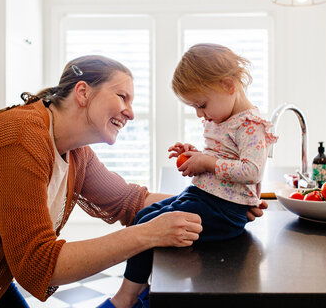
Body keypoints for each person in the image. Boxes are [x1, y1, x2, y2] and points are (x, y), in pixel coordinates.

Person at [0, 55, 265, 308]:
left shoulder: (73, 149)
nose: (131, 111)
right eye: (122, 96)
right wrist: (148, 235)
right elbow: (38, 264)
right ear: (83, 93)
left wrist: (222, 203)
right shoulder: (17, 141)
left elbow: (131, 201)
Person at [103, 43, 277, 308]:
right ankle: (140, 289)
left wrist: (207, 162)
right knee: (143, 218)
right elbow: (221, 155)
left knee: (152, 227)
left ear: (229, 85)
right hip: (203, 197)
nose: (199, 114)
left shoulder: (252, 126)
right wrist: (194, 154)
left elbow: (251, 171)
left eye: (202, 104)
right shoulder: (221, 118)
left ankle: (125, 299)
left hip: (224, 212)